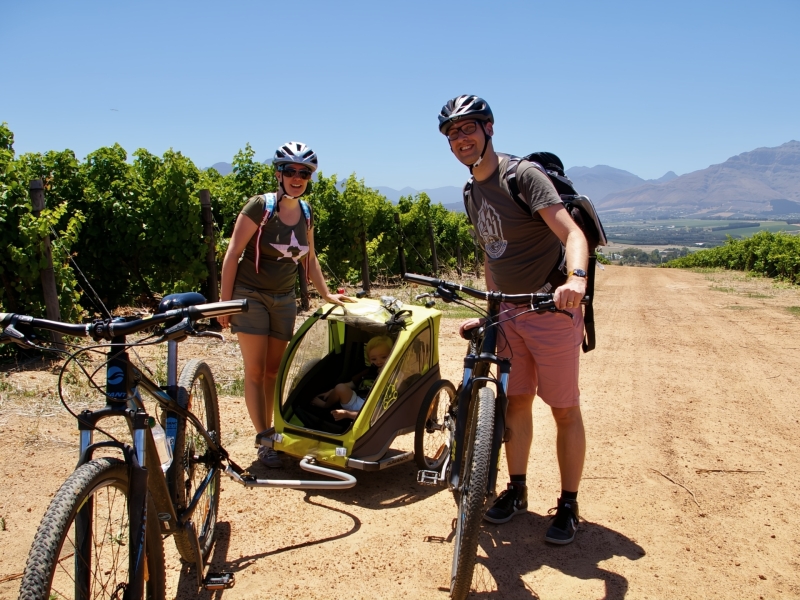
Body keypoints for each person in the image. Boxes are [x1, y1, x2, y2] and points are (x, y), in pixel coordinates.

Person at [439, 95, 589, 545]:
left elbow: (573, 234)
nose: (460, 138)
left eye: (467, 128)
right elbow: (491, 251)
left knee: (563, 409)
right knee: (516, 403)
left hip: (550, 308)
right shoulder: (470, 190)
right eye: (452, 133)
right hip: (508, 313)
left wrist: (575, 280)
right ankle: (517, 489)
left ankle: (568, 504)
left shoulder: (521, 176)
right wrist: (490, 311)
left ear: (489, 128)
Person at [218, 141, 354, 468]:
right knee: (253, 370)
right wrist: (224, 303)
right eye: (291, 171)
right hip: (249, 296)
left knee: (273, 371)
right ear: (278, 173)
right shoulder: (259, 207)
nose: (297, 177)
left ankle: (275, 431)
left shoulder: (305, 213)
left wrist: (325, 295)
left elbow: (310, 259)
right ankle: (265, 439)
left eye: (303, 173)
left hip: (284, 300)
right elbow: (233, 253)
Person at [311, 335, 392, 421]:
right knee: (340, 387)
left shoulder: (394, 373)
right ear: (369, 360)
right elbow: (351, 384)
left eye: (384, 357)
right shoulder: (368, 372)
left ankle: (347, 414)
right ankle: (325, 405)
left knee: (378, 412)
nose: (378, 362)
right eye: (374, 359)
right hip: (358, 401)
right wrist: (332, 392)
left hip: (375, 407)